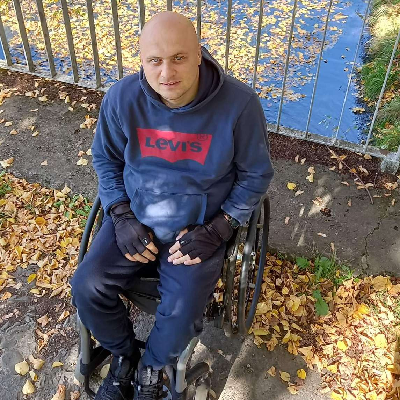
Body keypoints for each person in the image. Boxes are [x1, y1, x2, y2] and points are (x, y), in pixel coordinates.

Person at [71, 10, 274, 400]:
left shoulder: (239, 104)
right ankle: (124, 357)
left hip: (199, 228)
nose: (167, 72)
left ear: (198, 54)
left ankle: (151, 369)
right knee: (87, 285)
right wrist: (121, 214)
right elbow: (106, 160)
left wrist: (220, 227)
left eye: (179, 57)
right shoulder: (121, 98)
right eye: (155, 60)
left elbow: (255, 175)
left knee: (182, 310)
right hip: (136, 217)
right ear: (141, 61)